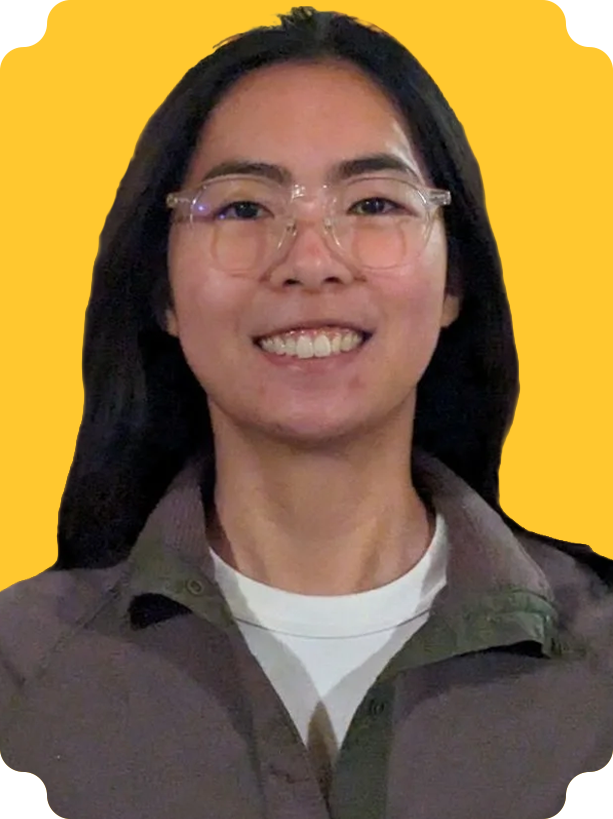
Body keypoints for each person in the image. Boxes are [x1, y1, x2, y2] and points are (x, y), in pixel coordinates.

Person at [0, 7, 611, 819]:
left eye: (374, 204)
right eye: (242, 208)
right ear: (162, 291)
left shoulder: (600, 666)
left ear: (453, 281)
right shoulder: (20, 673)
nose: (310, 260)